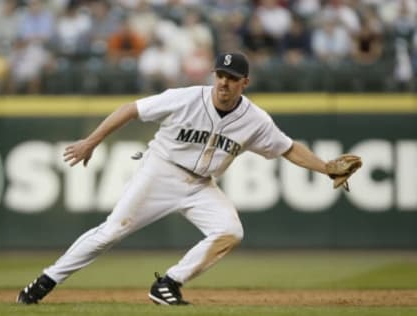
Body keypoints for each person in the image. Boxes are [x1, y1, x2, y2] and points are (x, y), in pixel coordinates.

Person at [17, 52, 331, 306]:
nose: (223, 83)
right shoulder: (186, 98)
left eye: (232, 78)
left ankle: (168, 284)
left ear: (244, 82)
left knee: (230, 231)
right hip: (161, 171)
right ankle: (45, 281)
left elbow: (288, 148)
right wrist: (91, 141)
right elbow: (131, 109)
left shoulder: (255, 120)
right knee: (110, 232)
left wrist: (326, 168)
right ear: (213, 76)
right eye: (220, 75)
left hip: (201, 185)